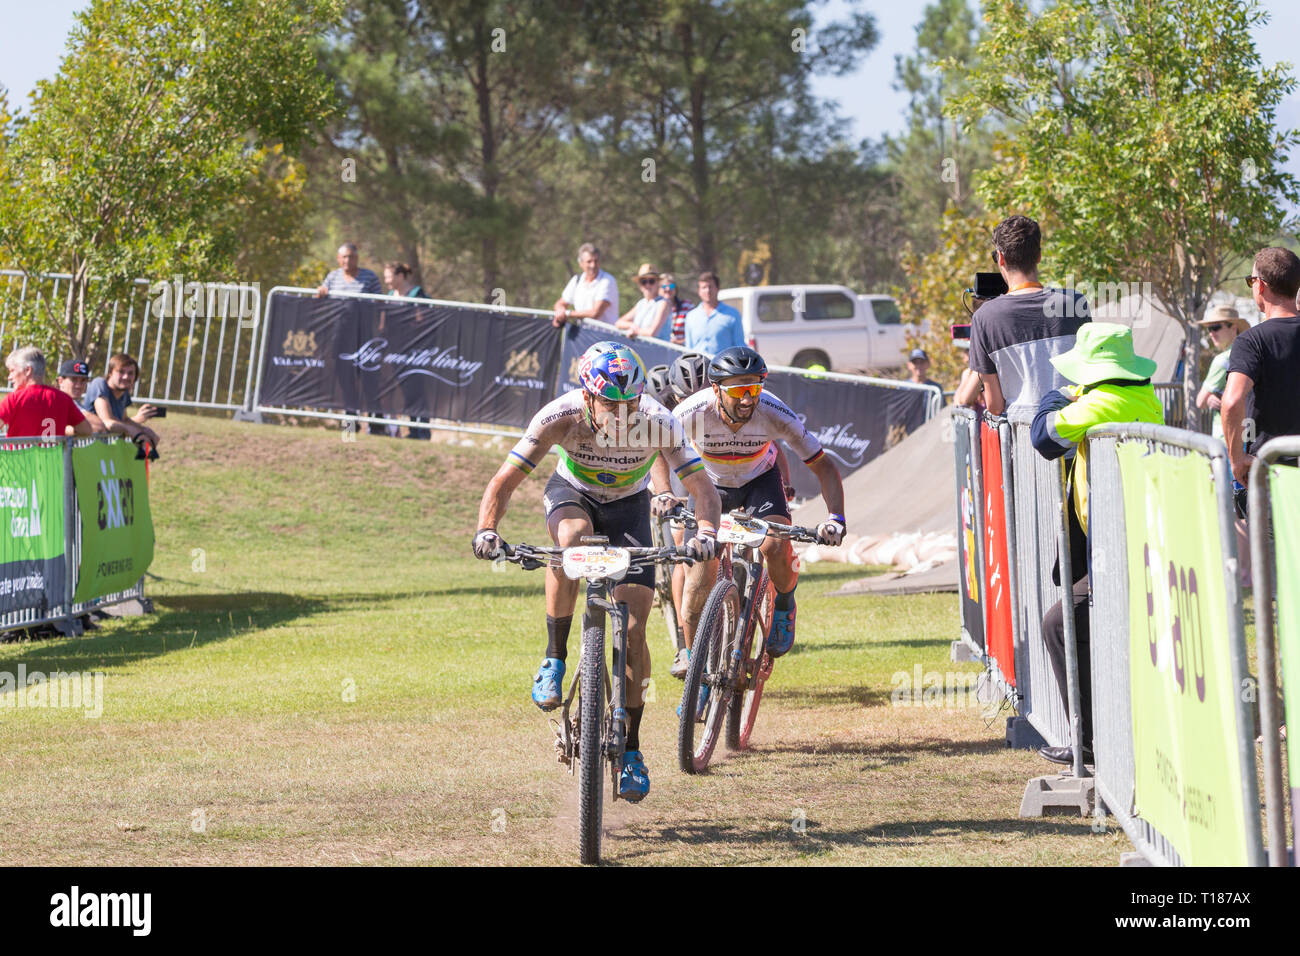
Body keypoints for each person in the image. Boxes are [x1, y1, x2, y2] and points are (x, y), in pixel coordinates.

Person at [471, 341, 722, 803]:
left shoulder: (659, 421)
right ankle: (555, 657)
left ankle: (631, 750)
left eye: (630, 403)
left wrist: (707, 530)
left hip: (630, 508)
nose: (623, 414)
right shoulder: (559, 415)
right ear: (587, 396)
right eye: (611, 404)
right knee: (571, 541)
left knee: (633, 626)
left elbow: (703, 488)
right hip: (574, 493)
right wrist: (487, 529)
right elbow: (504, 480)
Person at [1030, 323, 1164, 767]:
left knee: (1059, 625)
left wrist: (1056, 397)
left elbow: (1043, 438)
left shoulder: (1102, 402)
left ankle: (1087, 741)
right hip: (1124, 540)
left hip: (1119, 546)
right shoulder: (1142, 396)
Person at [674, 346, 846, 676]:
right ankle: (696, 669)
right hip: (710, 485)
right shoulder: (692, 410)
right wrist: (666, 494)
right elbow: (654, 449)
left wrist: (836, 518)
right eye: (738, 390)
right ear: (715, 389)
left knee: (775, 544)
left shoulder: (773, 410)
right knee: (698, 571)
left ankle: (784, 603)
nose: (747, 400)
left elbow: (824, 466)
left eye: (754, 389)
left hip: (760, 481)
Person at [970, 215, 1091, 414]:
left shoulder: (984, 318)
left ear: (1000, 257)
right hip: (1077, 435)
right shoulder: (1075, 303)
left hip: (1024, 438)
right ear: (1039, 256)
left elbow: (995, 406)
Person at [1223, 246, 1300, 485]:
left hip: (1272, 475)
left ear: (1260, 285)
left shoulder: (1251, 341)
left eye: (1250, 281)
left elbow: (1232, 401)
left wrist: (1236, 459)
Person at [0, 348, 94, 439]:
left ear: (28, 370)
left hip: (19, 455)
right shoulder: (64, 399)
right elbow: (86, 430)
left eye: (12, 371)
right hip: (52, 455)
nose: (9, 377)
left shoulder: (14, 399)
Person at [385, 262, 429, 439]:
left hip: (415, 350)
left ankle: (422, 431)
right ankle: (412, 429)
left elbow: (423, 320)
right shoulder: (389, 294)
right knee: (405, 390)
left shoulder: (416, 293)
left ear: (400, 276)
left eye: (389, 276)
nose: (386, 280)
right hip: (396, 350)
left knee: (416, 390)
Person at [1195, 305, 1250, 444]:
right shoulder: (1251, 354)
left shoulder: (1223, 360)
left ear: (1234, 327)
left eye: (1216, 327)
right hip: (1250, 435)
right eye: (1209, 329)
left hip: (1226, 439)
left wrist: (1209, 398)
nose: (1211, 333)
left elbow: (1200, 401)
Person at [82, 353, 160, 447]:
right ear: (110, 372)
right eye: (121, 372)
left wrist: (144, 430)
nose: (126, 377)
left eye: (130, 373)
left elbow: (124, 420)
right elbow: (107, 421)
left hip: (108, 453)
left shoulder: (124, 392)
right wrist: (133, 431)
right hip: (88, 449)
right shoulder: (99, 384)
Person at [552, 243, 618, 328]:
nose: (593, 265)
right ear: (581, 263)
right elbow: (561, 303)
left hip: (604, 336)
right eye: (589, 261)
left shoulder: (607, 280)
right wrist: (560, 310)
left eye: (596, 261)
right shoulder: (576, 280)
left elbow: (595, 313)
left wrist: (567, 314)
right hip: (583, 335)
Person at [684, 271, 745, 357]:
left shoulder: (733, 315)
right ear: (699, 291)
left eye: (710, 287)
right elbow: (688, 349)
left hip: (723, 367)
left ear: (717, 288)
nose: (707, 291)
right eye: (704, 287)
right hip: (697, 368)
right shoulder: (691, 316)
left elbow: (740, 346)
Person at [616, 264, 672, 341]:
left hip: (658, 351)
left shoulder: (663, 303)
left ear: (658, 283)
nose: (647, 285)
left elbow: (652, 332)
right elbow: (619, 323)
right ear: (639, 285)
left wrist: (635, 331)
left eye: (651, 281)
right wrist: (631, 325)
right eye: (643, 281)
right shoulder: (641, 303)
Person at [55, 359, 106, 432]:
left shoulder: (75, 403)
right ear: (61, 381)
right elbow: (99, 426)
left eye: (83, 380)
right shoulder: (57, 401)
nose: (78, 385)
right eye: (74, 380)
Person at [316, 242, 382, 297]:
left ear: (357, 258)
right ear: (338, 258)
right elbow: (318, 298)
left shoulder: (370, 276)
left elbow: (379, 302)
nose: (347, 260)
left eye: (351, 257)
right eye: (344, 257)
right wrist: (320, 293)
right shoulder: (332, 276)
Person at [660, 273, 693, 346]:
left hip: (682, 351)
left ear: (676, 289)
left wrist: (679, 342)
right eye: (664, 286)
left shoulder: (686, 305)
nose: (668, 289)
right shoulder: (655, 309)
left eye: (671, 286)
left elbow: (696, 332)